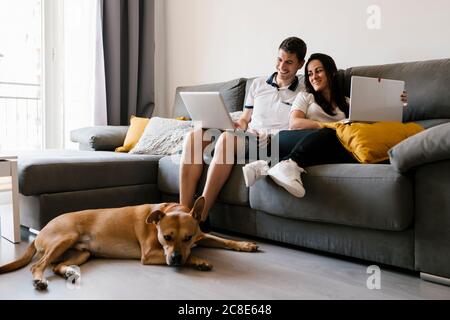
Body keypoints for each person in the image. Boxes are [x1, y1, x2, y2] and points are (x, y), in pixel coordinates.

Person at [179, 37, 307, 228]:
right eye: (279, 59)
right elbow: (245, 118)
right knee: (195, 136)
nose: (282, 66)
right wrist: (234, 123)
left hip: (271, 142)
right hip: (249, 136)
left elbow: (299, 125)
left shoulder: (305, 91)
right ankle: (181, 214)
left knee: (227, 139)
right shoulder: (258, 84)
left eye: (289, 62)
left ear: (300, 64)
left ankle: (200, 217)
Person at [242, 53, 408, 197]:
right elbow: (295, 122)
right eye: (310, 73)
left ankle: (263, 167)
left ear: (331, 73)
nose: (314, 76)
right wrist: (331, 126)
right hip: (294, 138)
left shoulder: (348, 103)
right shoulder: (306, 97)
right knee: (331, 134)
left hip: (330, 146)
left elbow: (373, 124)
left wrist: (396, 102)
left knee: (345, 144)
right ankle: (288, 165)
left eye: (319, 71)